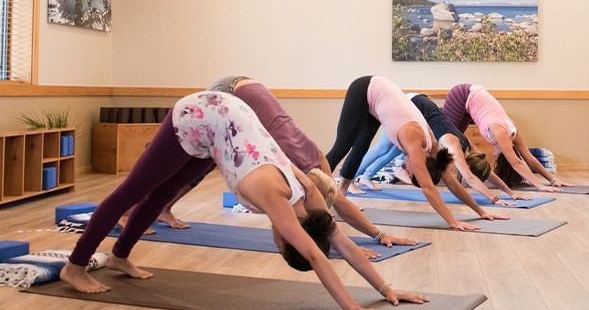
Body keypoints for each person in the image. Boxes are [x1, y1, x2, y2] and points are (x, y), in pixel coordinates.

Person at [61, 91, 428, 310]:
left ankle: (120, 256)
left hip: (228, 124)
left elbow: (339, 243)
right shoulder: (277, 199)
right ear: (286, 240)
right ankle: (75, 267)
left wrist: (386, 288)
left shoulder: (311, 199)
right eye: (281, 245)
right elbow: (317, 256)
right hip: (201, 115)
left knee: (159, 200)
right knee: (133, 192)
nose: (277, 241)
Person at [146, 77, 416, 258]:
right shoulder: (292, 168)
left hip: (247, 90)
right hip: (231, 92)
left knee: (202, 163)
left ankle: (163, 208)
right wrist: (351, 247)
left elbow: (336, 202)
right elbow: (320, 212)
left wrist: (379, 235)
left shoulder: (317, 164)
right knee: (197, 162)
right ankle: (135, 210)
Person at [326, 76, 507, 231]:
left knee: (361, 147)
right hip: (366, 88)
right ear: (419, 167)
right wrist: (452, 221)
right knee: (343, 146)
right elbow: (428, 188)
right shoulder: (416, 142)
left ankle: (340, 197)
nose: (405, 166)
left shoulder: (433, 149)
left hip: (380, 97)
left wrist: (481, 212)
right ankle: (316, 192)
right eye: (411, 172)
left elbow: (452, 183)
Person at [442, 83, 571, 192]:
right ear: (501, 154)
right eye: (496, 156)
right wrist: (540, 185)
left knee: (455, 139)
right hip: (462, 95)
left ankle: (453, 176)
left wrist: (552, 180)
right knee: (445, 137)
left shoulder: (514, 135)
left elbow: (530, 159)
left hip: (472, 101)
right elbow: (517, 163)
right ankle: (437, 175)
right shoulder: (501, 133)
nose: (493, 154)